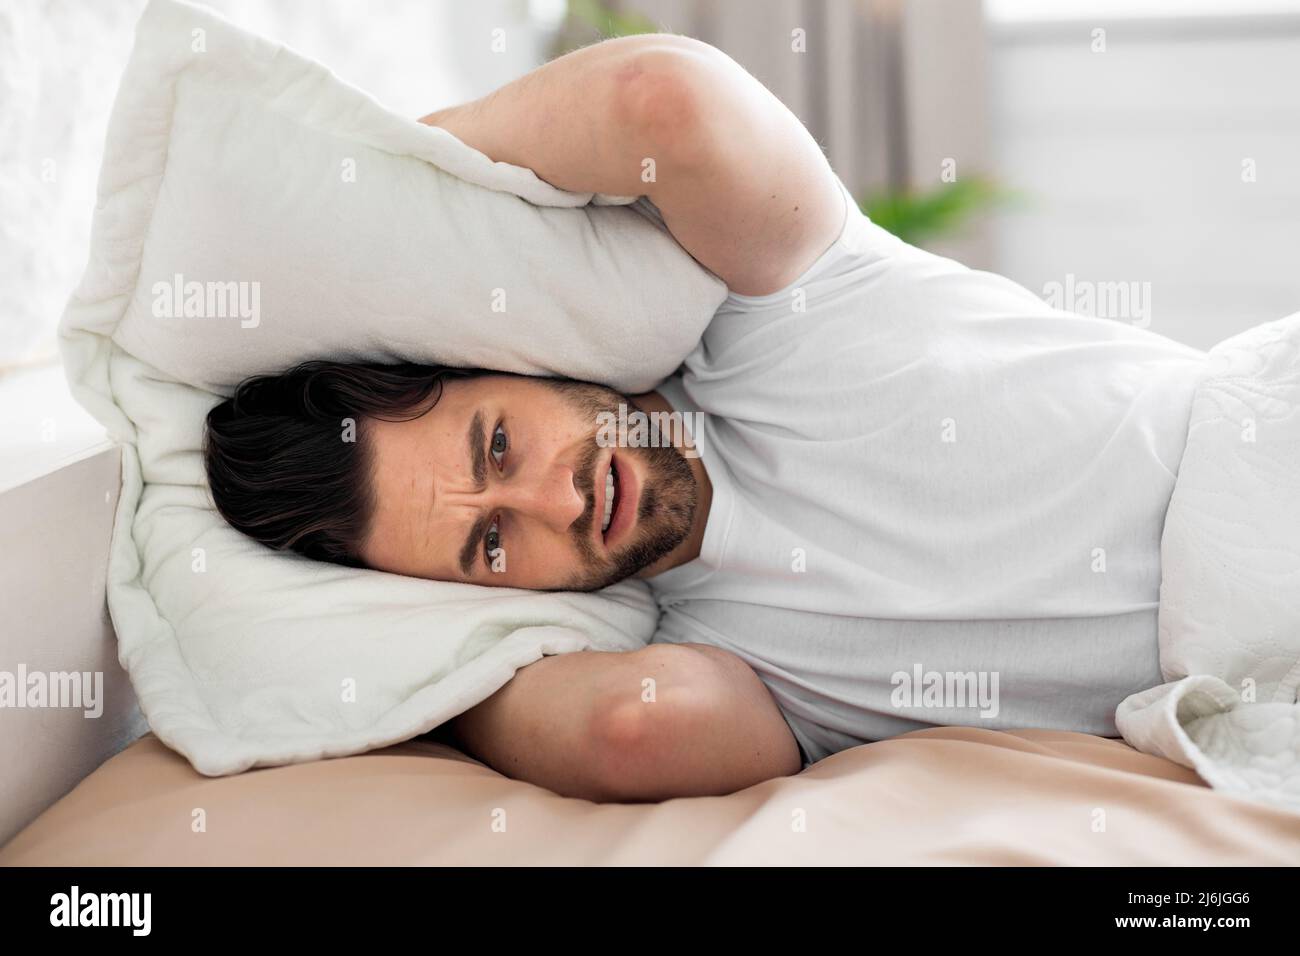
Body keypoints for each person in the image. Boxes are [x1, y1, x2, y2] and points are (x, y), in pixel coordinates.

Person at [203, 34, 1208, 802]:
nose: (551, 497)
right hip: (1246, 691)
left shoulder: (772, 320)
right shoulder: (728, 657)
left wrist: (402, 174)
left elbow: (662, 105)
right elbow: (624, 733)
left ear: (512, 361)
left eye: (500, 442)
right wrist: (429, 653)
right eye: (491, 544)